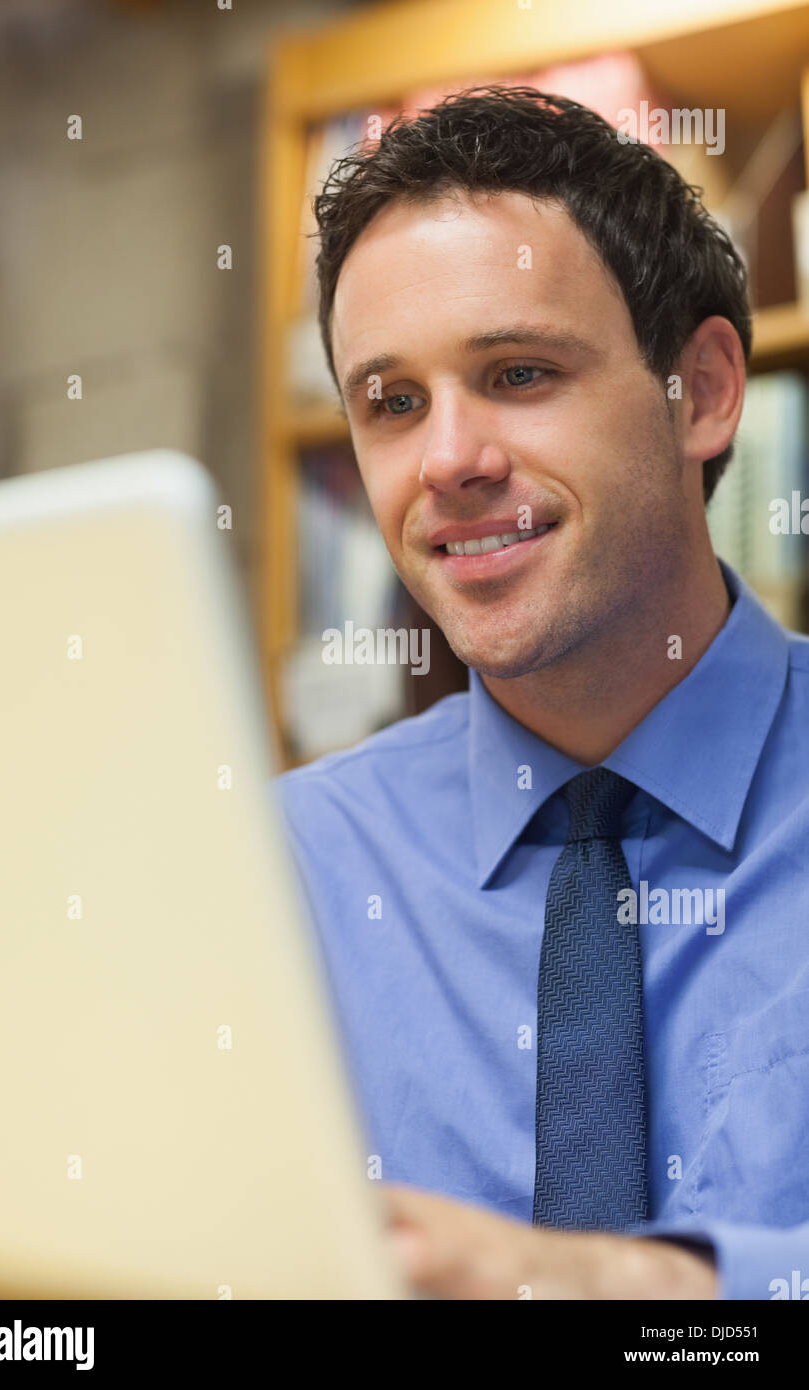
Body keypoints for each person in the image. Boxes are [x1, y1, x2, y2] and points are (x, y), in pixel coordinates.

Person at [275, 86, 809, 1300]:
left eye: (516, 371)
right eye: (392, 403)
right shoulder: (274, 871)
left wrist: (602, 1285)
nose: (448, 461)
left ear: (704, 392)